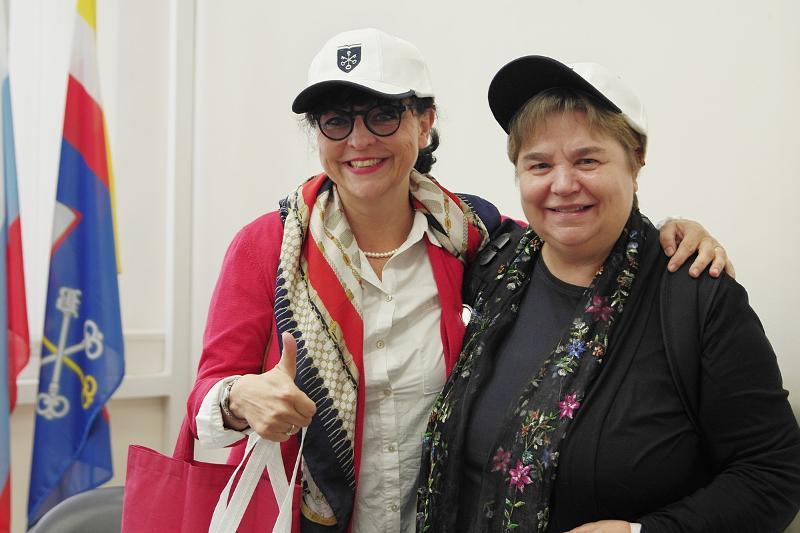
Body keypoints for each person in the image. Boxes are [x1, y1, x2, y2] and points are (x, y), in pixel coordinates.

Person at [186, 30, 730, 532]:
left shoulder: (472, 236)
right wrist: (239, 397)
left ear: (425, 123)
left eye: (383, 115)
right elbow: (205, 398)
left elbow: (575, 233)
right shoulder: (268, 247)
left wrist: (672, 234)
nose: (359, 139)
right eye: (336, 120)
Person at [416, 55, 800, 533]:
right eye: (539, 164)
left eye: (587, 160)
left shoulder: (697, 300)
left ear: (635, 162)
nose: (562, 184)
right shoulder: (493, 267)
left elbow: (774, 474)